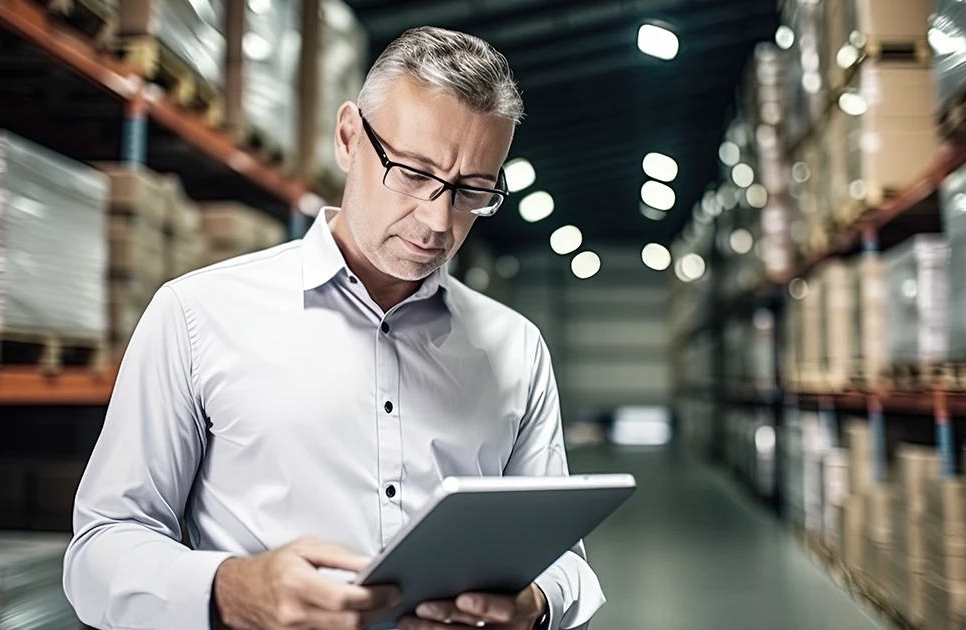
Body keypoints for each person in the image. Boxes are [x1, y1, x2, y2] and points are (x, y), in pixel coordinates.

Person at [64, 26, 605, 630]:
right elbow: (100, 550)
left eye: (471, 192)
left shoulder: (515, 350)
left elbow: (565, 562)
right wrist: (231, 591)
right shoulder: (197, 315)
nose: (436, 221)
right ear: (349, 138)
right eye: (413, 173)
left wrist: (534, 605)